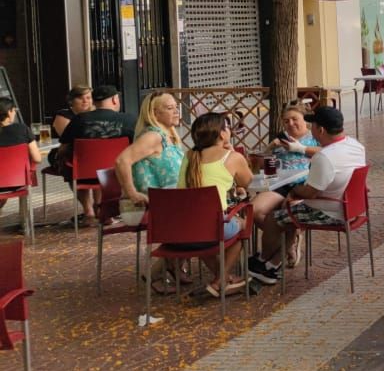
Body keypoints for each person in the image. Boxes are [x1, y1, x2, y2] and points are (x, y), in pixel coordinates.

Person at [250, 107, 366, 285]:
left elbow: (311, 192)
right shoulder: (356, 145)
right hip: (351, 206)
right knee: (286, 215)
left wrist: (295, 190)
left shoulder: (325, 157)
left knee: (275, 218)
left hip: (329, 211)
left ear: (320, 130)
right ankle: (272, 264)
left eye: (312, 125)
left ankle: (262, 261)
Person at [112, 91, 183, 292]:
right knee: (200, 218)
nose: (176, 111)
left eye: (176, 107)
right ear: (154, 113)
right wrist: (131, 192)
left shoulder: (169, 134)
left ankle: (174, 267)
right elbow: (121, 161)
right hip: (158, 201)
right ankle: (156, 273)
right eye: (169, 108)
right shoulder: (153, 135)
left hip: (172, 198)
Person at [178, 112, 252, 297]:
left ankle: (222, 278)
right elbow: (248, 181)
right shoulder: (231, 157)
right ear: (222, 134)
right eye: (227, 127)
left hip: (181, 230)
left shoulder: (188, 156)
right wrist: (232, 150)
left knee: (200, 233)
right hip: (211, 228)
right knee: (242, 226)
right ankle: (221, 280)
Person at [57, 84, 137, 224]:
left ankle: (88, 211)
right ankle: (103, 209)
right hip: (116, 172)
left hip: (83, 173)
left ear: (93, 101)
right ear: (114, 100)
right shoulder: (129, 120)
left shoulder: (79, 119)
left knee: (69, 164)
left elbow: (64, 147)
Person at [0, 98, 42, 224]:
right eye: (14, 111)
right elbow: (37, 158)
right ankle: (25, 225)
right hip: (19, 182)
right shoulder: (22, 129)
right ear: (9, 112)